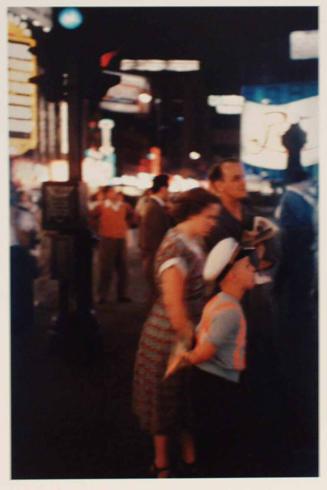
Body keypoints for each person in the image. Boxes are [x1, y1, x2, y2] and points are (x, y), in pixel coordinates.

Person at [133, 187, 220, 478]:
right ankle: (163, 465)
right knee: (165, 398)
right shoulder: (175, 248)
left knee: (185, 396)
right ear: (193, 214)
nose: (213, 223)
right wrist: (191, 339)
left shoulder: (193, 239)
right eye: (209, 217)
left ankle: (188, 452)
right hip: (170, 334)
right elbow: (173, 304)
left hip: (189, 328)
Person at [165, 238, 258, 476]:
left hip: (208, 380)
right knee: (221, 438)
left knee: (210, 434)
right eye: (248, 266)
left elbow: (199, 335)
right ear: (232, 276)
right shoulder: (231, 312)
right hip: (220, 384)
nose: (254, 269)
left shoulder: (216, 302)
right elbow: (205, 351)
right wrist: (185, 359)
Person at [90, 186, 134, 303]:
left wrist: (125, 226)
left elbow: (133, 218)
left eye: (114, 192)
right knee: (105, 268)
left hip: (121, 238)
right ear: (107, 194)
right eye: (111, 192)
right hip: (106, 239)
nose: (114, 194)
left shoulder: (125, 206)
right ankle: (102, 295)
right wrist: (98, 230)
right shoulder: (101, 207)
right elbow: (91, 219)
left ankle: (122, 294)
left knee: (123, 268)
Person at [138, 174, 171, 303]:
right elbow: (154, 237)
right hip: (154, 256)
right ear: (163, 189)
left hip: (152, 255)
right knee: (156, 294)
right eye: (168, 189)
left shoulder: (154, 205)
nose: (169, 193)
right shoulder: (154, 208)